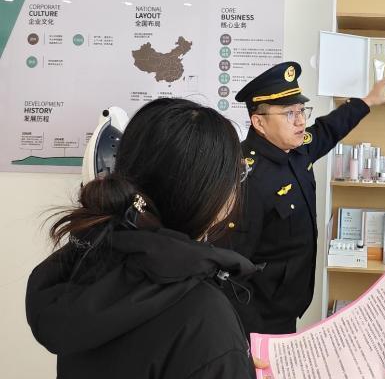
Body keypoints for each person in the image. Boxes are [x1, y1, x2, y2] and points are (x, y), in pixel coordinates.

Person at [26, 98, 267, 379]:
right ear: (205, 194)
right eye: (237, 174)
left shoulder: (90, 261)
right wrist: (224, 359)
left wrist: (224, 361)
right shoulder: (203, 316)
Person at [214, 61, 385, 335]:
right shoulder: (246, 178)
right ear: (259, 122)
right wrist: (254, 339)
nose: (300, 121)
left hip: (289, 303)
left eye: (301, 110)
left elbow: (329, 128)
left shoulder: (297, 148)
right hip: (260, 316)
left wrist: (369, 100)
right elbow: (230, 268)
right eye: (288, 113)